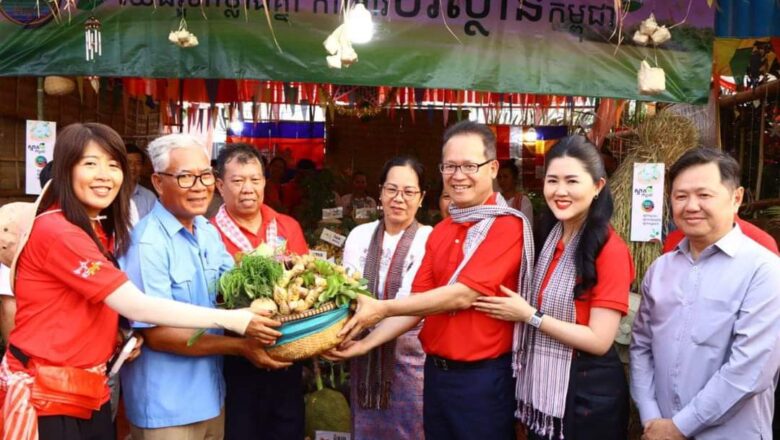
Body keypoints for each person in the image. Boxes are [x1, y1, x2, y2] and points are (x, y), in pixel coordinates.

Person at [0, 123, 277, 440]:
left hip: (88, 391)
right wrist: (235, 322)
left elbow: (86, 308)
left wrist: (118, 335)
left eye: (113, 165)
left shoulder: (97, 229)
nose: (104, 175)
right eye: (90, 164)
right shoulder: (60, 232)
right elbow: (137, 305)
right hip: (51, 396)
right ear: (65, 169)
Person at [330, 121, 534, 440]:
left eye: (469, 165)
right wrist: (363, 345)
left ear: (493, 168)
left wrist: (382, 307)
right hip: (435, 377)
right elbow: (418, 303)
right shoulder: (442, 231)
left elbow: (462, 295)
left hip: (481, 380)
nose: (458, 175)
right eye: (450, 166)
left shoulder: (507, 227)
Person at [119, 134, 290, 440]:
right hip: (167, 407)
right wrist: (241, 347)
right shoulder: (146, 244)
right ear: (158, 183)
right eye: (185, 177)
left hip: (212, 398)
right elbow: (159, 335)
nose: (199, 186)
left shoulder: (207, 231)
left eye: (205, 174)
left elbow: (232, 290)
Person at [475, 135, 632, 439]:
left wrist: (529, 315)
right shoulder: (548, 238)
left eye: (572, 181)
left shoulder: (609, 249)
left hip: (588, 392)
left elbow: (599, 339)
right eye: (552, 180)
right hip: (546, 388)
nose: (561, 191)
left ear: (598, 186)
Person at [630, 148, 780, 439]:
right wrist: (650, 416)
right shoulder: (660, 269)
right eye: (681, 196)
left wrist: (679, 427)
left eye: (704, 195)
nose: (691, 206)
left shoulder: (765, 270)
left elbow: (750, 370)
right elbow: (641, 347)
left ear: (736, 198)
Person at [326, 156, 432, 439]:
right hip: (364, 362)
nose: (399, 199)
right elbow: (347, 293)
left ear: (421, 198)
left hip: (409, 363)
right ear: (380, 192)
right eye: (391, 189)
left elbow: (413, 303)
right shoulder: (359, 236)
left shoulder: (429, 240)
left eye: (409, 192)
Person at [210, 143, 308, 440]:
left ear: (265, 182)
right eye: (238, 181)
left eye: (255, 179)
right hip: (235, 360)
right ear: (219, 185)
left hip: (287, 357)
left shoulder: (287, 226)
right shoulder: (207, 234)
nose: (248, 188)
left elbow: (305, 283)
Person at [126, 144, 157, 219]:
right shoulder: (112, 195)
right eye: (129, 163)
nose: (133, 167)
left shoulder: (149, 197)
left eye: (138, 163)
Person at [497, 159, 533, 224]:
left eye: (505, 177)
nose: (502, 181)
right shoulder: (496, 200)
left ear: (514, 179)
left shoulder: (523, 201)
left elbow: (527, 227)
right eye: (499, 177)